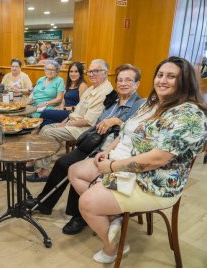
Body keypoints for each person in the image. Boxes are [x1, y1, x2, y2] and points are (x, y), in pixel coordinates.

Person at [69, 56, 207, 264]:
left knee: (86, 203)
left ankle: (113, 248)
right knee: (75, 171)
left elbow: (157, 159)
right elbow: (127, 131)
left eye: (171, 76)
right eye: (160, 75)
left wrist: (112, 166)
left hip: (155, 181)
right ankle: (113, 217)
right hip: (128, 162)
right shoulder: (152, 103)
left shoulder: (189, 114)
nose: (162, 80)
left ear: (185, 81)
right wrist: (108, 150)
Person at [30, 64, 146, 236]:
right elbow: (98, 121)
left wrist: (117, 122)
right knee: (62, 162)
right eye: (120, 80)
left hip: (112, 150)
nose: (123, 83)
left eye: (128, 80)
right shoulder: (113, 100)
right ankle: (44, 203)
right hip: (93, 142)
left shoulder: (140, 104)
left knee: (77, 170)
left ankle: (79, 216)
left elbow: (135, 132)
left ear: (137, 83)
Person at [29, 59, 113, 180]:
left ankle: (43, 171)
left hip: (84, 129)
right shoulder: (92, 88)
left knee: (47, 131)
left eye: (96, 71)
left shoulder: (104, 92)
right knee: (46, 126)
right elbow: (75, 110)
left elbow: (89, 121)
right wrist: (63, 122)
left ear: (105, 72)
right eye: (90, 71)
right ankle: (40, 165)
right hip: (73, 121)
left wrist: (67, 123)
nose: (91, 74)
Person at [39, 62, 88, 128]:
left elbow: (81, 107)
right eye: (71, 71)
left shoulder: (82, 85)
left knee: (45, 113)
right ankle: (41, 134)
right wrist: (59, 107)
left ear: (80, 73)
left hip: (72, 113)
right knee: (46, 121)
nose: (73, 74)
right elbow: (63, 102)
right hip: (64, 111)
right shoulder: (68, 85)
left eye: (76, 71)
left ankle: (35, 133)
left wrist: (64, 108)